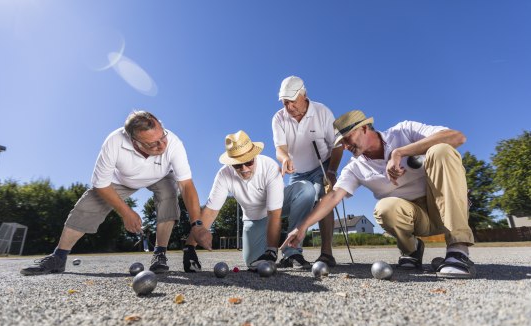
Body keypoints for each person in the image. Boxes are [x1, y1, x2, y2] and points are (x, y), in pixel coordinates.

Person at [283, 110, 477, 278]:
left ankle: (458, 250)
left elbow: (457, 137)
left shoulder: (404, 131)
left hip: (445, 206)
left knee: (441, 150)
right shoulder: (355, 167)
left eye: (347, 138)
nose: (345, 147)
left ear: (364, 128)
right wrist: (302, 227)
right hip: (415, 218)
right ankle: (412, 249)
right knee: (383, 209)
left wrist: (399, 153)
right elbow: (333, 197)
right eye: (341, 143)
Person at [21, 110, 212, 276]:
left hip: (160, 176)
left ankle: (159, 254)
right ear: (134, 141)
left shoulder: (173, 143)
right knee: (89, 204)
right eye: (153, 144)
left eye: (162, 137)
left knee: (169, 193)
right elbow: (100, 184)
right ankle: (58, 257)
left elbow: (186, 185)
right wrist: (126, 212)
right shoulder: (114, 142)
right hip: (122, 180)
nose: (162, 146)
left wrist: (197, 224)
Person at [185, 130, 316, 270]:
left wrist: (271, 250)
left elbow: (274, 214)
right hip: (253, 217)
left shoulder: (269, 167)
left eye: (248, 162)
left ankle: (292, 254)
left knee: (306, 190)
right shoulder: (223, 174)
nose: (244, 169)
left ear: (254, 155)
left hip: (278, 206)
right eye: (237, 165)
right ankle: (274, 243)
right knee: (253, 264)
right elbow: (210, 212)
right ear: (231, 163)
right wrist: (189, 247)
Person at [272, 76, 343, 268]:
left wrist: (332, 171)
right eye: (285, 102)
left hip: (323, 165)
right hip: (297, 171)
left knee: (324, 196)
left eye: (292, 101)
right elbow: (280, 148)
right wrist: (285, 158)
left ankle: (326, 254)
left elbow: (338, 145)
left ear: (303, 95)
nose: (289, 107)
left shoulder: (322, 112)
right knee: (301, 199)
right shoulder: (279, 118)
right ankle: (292, 254)